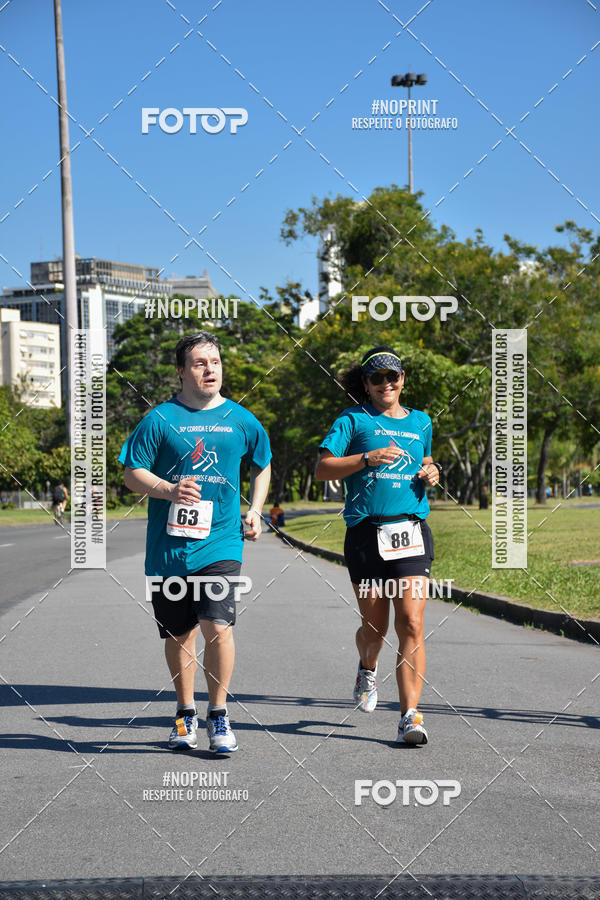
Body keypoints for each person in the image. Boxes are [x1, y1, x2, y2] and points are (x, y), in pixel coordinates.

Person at [119, 332, 271, 754]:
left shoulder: (241, 419)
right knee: (179, 633)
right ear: (182, 371)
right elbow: (133, 473)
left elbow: (263, 464)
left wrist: (255, 510)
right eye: (200, 363)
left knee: (217, 627)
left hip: (221, 542)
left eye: (216, 362)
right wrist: (169, 490)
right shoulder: (159, 419)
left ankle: (218, 715)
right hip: (169, 547)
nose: (210, 369)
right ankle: (185, 712)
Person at [315, 346, 440, 746]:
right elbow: (321, 468)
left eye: (393, 376)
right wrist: (367, 458)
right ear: (366, 384)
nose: (386, 383)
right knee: (376, 627)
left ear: (402, 379)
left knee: (412, 623)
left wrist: (433, 470)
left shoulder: (422, 422)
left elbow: (429, 460)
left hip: (411, 532)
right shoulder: (352, 420)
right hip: (368, 534)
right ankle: (367, 667)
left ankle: (409, 716)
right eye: (377, 378)